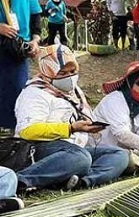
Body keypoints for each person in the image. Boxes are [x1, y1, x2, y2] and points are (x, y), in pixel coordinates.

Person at [14, 45, 128, 191]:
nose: (70, 77)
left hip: (74, 148)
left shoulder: (74, 92)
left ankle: (80, 182)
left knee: (118, 154)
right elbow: (27, 131)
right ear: (48, 72)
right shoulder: (34, 93)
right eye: (62, 73)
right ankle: (21, 181)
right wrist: (71, 128)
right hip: (40, 148)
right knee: (81, 158)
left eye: (73, 71)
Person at [0, 0, 41, 135]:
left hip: (16, 50)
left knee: (17, 95)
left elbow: (35, 17)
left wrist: (35, 40)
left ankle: (13, 140)